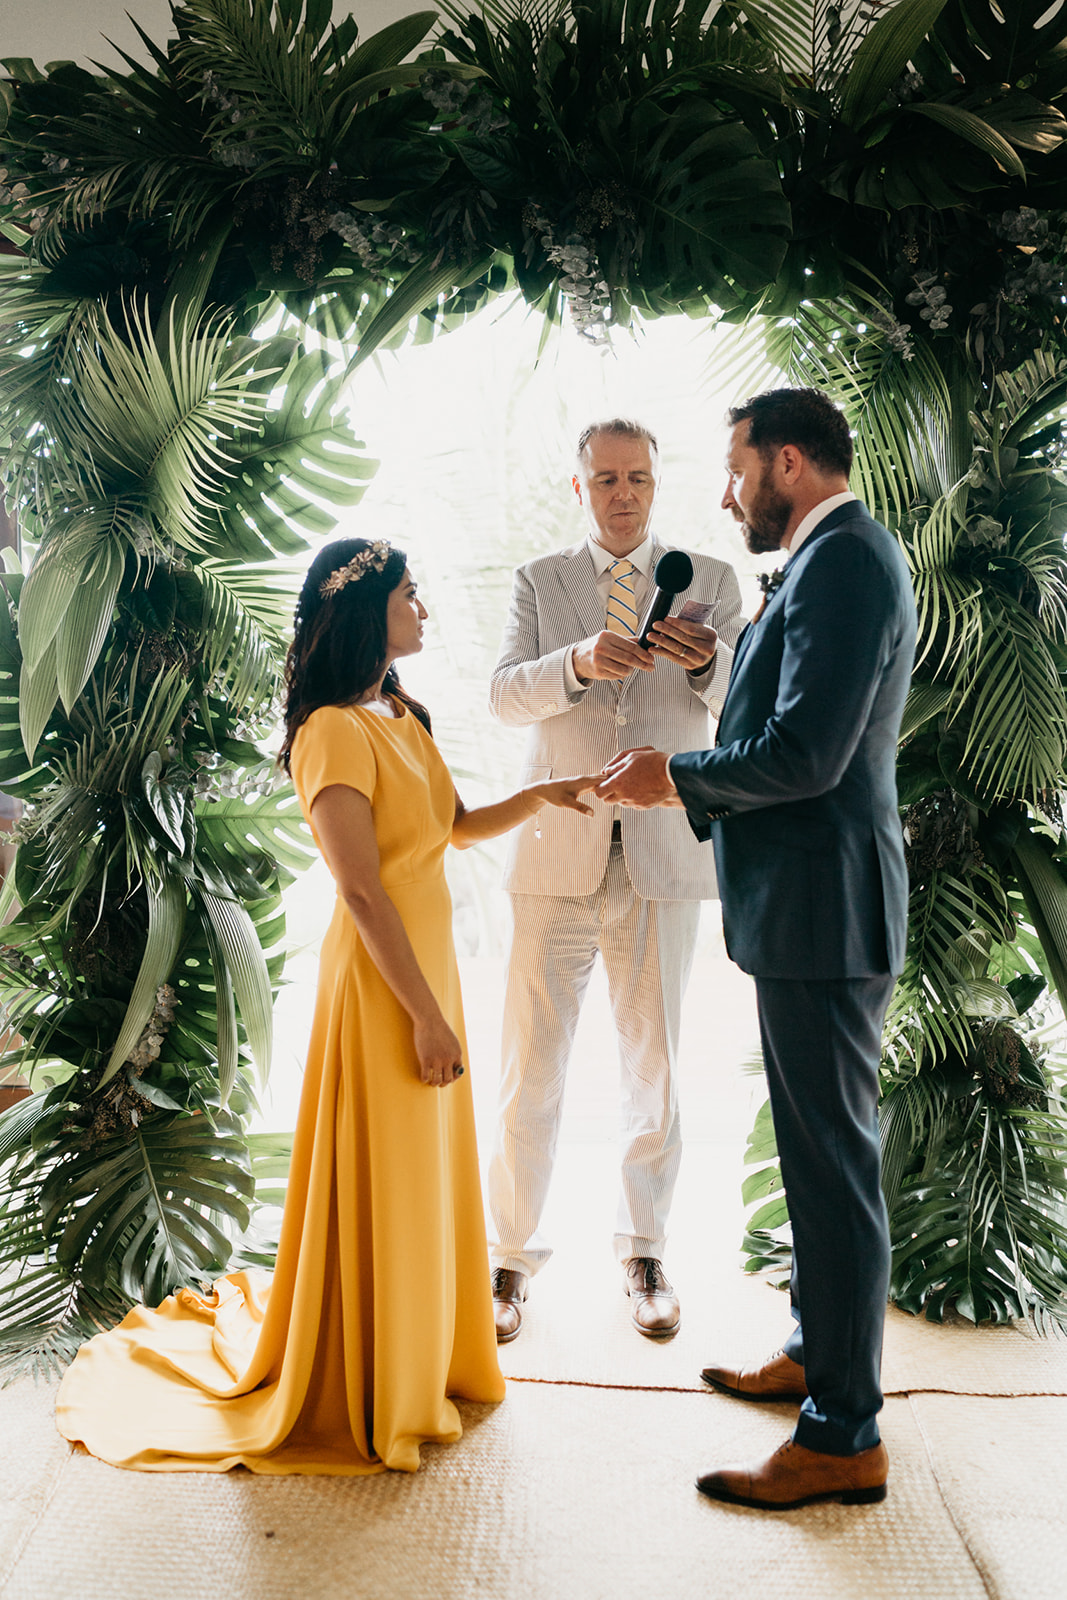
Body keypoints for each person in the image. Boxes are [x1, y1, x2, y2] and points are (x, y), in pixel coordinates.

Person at [55, 537, 596, 1475]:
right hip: (387, 983)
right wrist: (424, 1015)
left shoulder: (396, 710)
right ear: (365, 610)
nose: (423, 608)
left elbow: (456, 828)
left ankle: (422, 1357)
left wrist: (546, 793)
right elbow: (359, 891)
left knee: (423, 1170)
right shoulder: (332, 732)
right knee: (386, 1165)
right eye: (409, 594)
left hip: (424, 969)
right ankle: (373, 1381)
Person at [599, 388, 917, 1510]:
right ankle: (815, 1358)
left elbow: (808, 754)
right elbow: (786, 719)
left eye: (735, 471)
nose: (725, 494)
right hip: (808, 910)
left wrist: (671, 776)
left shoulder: (843, 561)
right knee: (815, 1162)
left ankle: (842, 1435)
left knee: (832, 1170)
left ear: (788, 462)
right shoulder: (838, 557)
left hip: (825, 914)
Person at [487, 418, 745, 1343]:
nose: (623, 493)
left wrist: (710, 662)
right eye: (605, 479)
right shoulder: (539, 580)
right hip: (553, 849)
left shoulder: (712, 580)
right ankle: (508, 1259)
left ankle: (644, 1251)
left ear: (656, 481)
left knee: (657, 1066)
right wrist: (577, 663)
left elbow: (749, 706)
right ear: (579, 486)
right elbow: (501, 692)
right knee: (531, 1065)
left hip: (663, 852)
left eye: (637, 476)